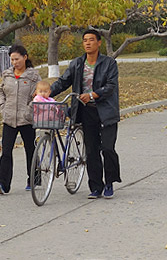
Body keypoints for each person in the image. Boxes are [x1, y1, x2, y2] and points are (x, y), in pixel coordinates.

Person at [49, 29, 121, 199]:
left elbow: (111, 86)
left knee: (108, 148)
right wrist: (46, 94)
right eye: (85, 40)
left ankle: (109, 182)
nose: (87, 43)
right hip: (86, 111)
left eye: (91, 40)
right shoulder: (77, 63)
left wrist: (93, 94)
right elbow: (63, 82)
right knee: (91, 151)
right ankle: (96, 187)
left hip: (106, 111)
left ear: (99, 42)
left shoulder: (109, 63)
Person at [0, 44, 41, 194]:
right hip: (9, 119)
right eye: (12, 60)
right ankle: (2, 183)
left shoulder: (33, 76)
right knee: (6, 151)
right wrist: (3, 106)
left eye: (17, 59)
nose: (14, 62)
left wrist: (29, 110)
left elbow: (39, 95)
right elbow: (1, 92)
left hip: (26, 119)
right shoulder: (7, 74)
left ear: (25, 57)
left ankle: (34, 178)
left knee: (30, 149)